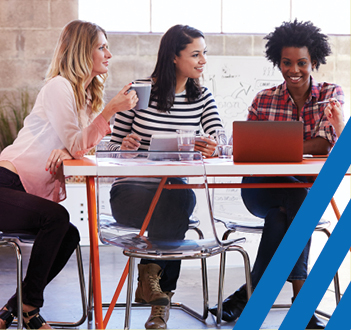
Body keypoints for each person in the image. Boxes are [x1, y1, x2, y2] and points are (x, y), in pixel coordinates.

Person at [0, 20, 138, 329]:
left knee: (69, 233)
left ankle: (15, 307)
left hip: (22, 191)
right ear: (82, 52)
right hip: (6, 183)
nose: (109, 54)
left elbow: (79, 147)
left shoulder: (85, 98)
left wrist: (68, 150)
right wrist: (109, 112)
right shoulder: (59, 87)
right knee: (57, 219)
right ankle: (30, 308)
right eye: (102, 47)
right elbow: (79, 143)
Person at [209, 20, 344, 329]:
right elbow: (249, 147)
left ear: (314, 62)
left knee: (282, 215)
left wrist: (279, 143)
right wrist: (299, 144)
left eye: (301, 63)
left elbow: (325, 145)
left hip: (302, 192)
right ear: (277, 61)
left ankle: (244, 297)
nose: (293, 69)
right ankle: (303, 305)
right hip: (260, 187)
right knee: (297, 200)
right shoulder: (263, 99)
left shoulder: (330, 94)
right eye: (287, 62)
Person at [108, 24, 223, 329]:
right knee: (179, 202)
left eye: (204, 54)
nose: (203, 61)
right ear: (174, 56)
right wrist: (123, 146)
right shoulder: (140, 91)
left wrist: (213, 145)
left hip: (172, 194)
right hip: (131, 193)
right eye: (195, 54)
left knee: (179, 196)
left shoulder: (202, 96)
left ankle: (154, 292)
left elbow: (221, 137)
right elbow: (103, 146)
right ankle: (156, 294)